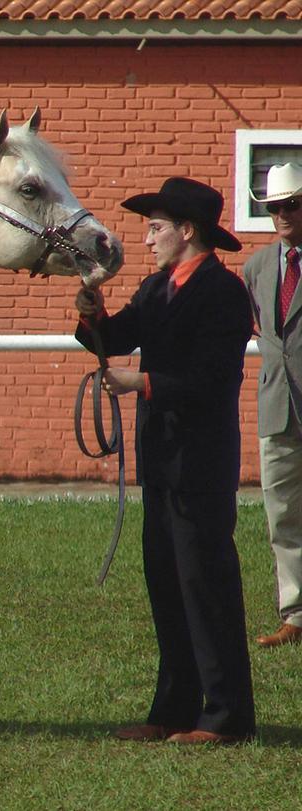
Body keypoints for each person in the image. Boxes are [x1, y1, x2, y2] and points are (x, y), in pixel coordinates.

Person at [75, 177, 256, 745]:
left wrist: (142, 382)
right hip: (162, 461)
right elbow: (114, 336)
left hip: (201, 463)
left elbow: (212, 379)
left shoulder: (223, 294)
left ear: (187, 231)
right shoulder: (158, 289)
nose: (148, 239)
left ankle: (226, 717)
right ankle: (175, 710)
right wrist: (92, 316)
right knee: (167, 583)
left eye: (156, 228)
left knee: (205, 586)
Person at [243, 163, 302, 648]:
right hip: (277, 406)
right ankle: (296, 614)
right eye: (274, 207)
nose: (281, 214)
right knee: (282, 515)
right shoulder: (258, 267)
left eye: (291, 204)